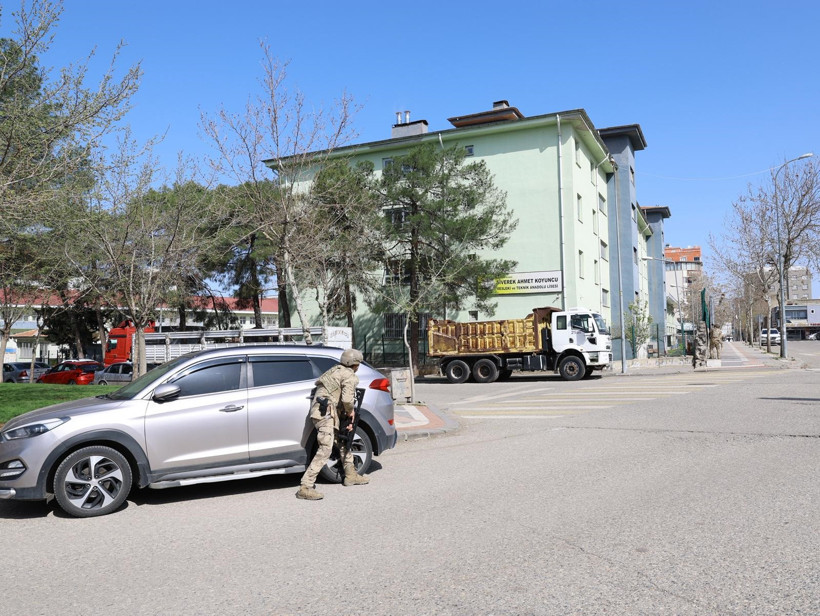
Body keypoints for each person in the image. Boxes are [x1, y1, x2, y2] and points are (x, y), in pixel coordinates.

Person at [296, 348, 370, 500]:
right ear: (356, 364)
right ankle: (305, 486)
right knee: (325, 448)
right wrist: (350, 413)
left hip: (324, 412)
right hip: (326, 414)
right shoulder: (350, 376)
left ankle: (350, 474)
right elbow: (348, 400)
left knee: (342, 441)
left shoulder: (334, 370)